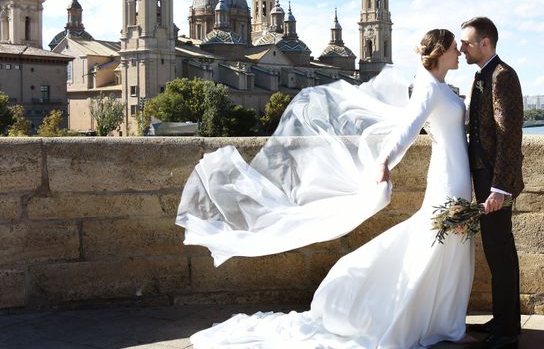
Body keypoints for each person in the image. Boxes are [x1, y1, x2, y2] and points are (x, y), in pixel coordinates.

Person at [176, 28, 477, 349]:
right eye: (453, 49)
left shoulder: (442, 87)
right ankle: (421, 318)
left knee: (453, 248)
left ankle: (446, 322)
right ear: (441, 51)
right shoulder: (429, 89)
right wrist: (384, 161)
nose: (459, 52)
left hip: (458, 173)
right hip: (448, 175)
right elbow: (408, 128)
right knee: (438, 244)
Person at [459, 17, 524, 349]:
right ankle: (505, 320)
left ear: (485, 43)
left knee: (500, 252)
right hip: (486, 177)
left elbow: (508, 135)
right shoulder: (482, 76)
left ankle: (507, 333)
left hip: (496, 181)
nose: (461, 48)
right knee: (500, 252)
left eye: (467, 43)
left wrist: (499, 188)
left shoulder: (503, 76)